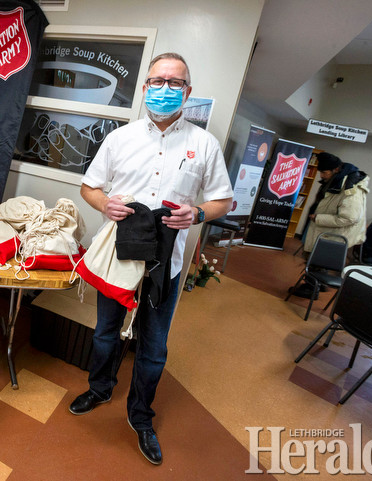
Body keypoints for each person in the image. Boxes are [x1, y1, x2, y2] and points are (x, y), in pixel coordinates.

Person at [70, 53, 233, 465]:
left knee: (154, 347)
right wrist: (104, 204)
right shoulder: (119, 139)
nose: (165, 89)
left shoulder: (204, 144)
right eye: (157, 81)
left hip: (169, 262)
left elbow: (223, 200)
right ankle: (100, 388)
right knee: (105, 332)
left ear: (187, 92)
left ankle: (141, 416)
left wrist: (197, 213)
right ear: (144, 88)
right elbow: (90, 188)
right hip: (120, 258)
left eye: (174, 83)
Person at [303, 152, 369, 253]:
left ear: (336, 169)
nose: (321, 176)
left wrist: (319, 218)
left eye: (324, 172)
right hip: (325, 232)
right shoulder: (335, 181)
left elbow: (350, 218)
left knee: (319, 263)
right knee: (312, 260)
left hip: (334, 238)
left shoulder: (351, 189)